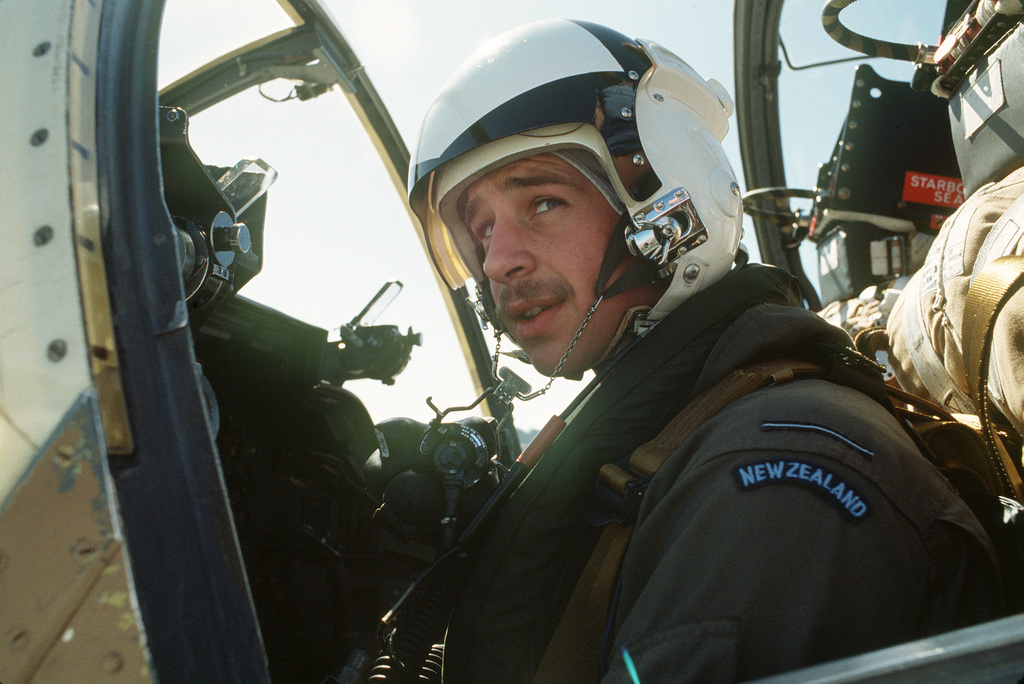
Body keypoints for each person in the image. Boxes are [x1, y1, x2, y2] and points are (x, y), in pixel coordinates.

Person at [402, 19, 1003, 682]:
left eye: (543, 202)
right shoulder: (688, 426)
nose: (499, 262)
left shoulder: (774, 473)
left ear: (669, 204)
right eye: (480, 232)